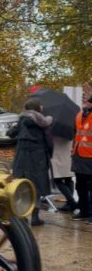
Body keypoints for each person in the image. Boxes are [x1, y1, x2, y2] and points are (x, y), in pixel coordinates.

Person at [12, 98, 53, 226]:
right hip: (38, 158)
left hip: (21, 158)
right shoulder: (43, 122)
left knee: (21, 187)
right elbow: (48, 141)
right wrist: (49, 153)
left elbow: (10, 133)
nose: (42, 107)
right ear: (37, 108)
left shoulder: (22, 120)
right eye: (41, 105)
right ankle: (35, 217)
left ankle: (22, 216)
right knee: (36, 187)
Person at [71, 82, 92, 221]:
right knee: (80, 186)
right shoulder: (79, 114)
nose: (84, 97)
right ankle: (83, 211)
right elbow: (76, 133)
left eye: (86, 94)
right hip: (79, 155)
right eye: (83, 95)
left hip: (90, 156)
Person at [51, 136, 77, 212]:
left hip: (56, 155)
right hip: (69, 153)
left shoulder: (55, 127)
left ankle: (72, 202)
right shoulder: (70, 126)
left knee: (57, 179)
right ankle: (69, 203)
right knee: (68, 178)